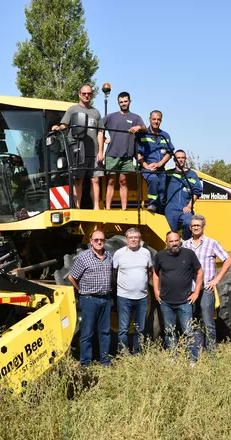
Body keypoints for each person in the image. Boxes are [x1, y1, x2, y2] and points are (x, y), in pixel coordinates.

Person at [183, 214, 231, 352]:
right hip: (191, 289)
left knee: (208, 321)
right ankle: (199, 349)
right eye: (193, 226)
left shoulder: (212, 243)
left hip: (206, 288)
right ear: (190, 227)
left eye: (198, 225)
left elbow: (228, 260)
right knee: (194, 320)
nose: (196, 228)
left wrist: (217, 279)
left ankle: (211, 350)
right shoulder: (185, 245)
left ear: (203, 226)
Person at [152, 231, 204, 361]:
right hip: (166, 301)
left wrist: (196, 292)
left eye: (176, 240)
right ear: (166, 242)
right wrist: (156, 291)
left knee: (188, 331)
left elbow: (199, 272)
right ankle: (173, 358)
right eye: (171, 241)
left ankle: (193, 359)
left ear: (179, 240)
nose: (174, 243)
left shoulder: (189, 254)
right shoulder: (160, 256)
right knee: (169, 332)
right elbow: (155, 273)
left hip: (184, 300)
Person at [52, 84, 104, 209]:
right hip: (79, 152)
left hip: (93, 152)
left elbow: (100, 132)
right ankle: (77, 207)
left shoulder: (95, 112)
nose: (87, 95)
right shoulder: (72, 110)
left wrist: (101, 151)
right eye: (84, 93)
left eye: (89, 94)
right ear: (79, 94)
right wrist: (58, 127)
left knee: (95, 180)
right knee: (78, 180)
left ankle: (96, 207)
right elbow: (65, 125)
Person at [68, 229, 113, 367]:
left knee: (105, 332)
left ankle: (105, 361)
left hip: (105, 299)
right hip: (89, 300)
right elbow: (71, 277)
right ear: (91, 241)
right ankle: (85, 363)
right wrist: (81, 290)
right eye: (96, 240)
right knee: (87, 332)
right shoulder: (84, 257)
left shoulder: (108, 256)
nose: (99, 242)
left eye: (102, 240)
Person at [98, 92, 147, 211]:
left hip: (127, 155)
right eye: (121, 102)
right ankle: (108, 208)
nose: (123, 104)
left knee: (123, 181)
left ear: (130, 101)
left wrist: (138, 127)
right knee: (110, 181)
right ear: (118, 103)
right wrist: (104, 140)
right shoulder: (111, 117)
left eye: (125, 101)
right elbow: (98, 128)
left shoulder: (136, 118)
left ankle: (124, 209)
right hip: (112, 154)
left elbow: (145, 128)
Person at [112, 227, 152, 354]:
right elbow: (114, 272)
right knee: (123, 328)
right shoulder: (119, 253)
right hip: (124, 297)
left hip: (142, 297)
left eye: (136, 237)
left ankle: (137, 353)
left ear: (139, 239)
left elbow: (150, 270)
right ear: (126, 239)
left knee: (140, 328)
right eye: (131, 237)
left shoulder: (146, 253)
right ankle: (123, 353)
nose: (133, 240)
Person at [136, 110, 174, 212]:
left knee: (162, 192)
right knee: (153, 179)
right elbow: (137, 153)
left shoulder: (165, 135)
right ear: (149, 119)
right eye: (154, 119)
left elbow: (170, 152)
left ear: (161, 121)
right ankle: (152, 204)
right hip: (146, 168)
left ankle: (160, 210)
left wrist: (159, 164)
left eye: (158, 119)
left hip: (161, 169)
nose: (156, 121)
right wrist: (145, 166)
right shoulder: (143, 135)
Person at [163, 150, 203, 240]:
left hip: (185, 208)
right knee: (172, 233)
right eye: (178, 158)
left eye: (182, 158)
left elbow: (197, 192)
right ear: (174, 160)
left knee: (189, 222)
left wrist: (189, 206)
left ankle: (185, 242)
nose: (180, 160)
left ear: (185, 159)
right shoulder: (168, 174)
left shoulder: (192, 174)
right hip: (171, 209)